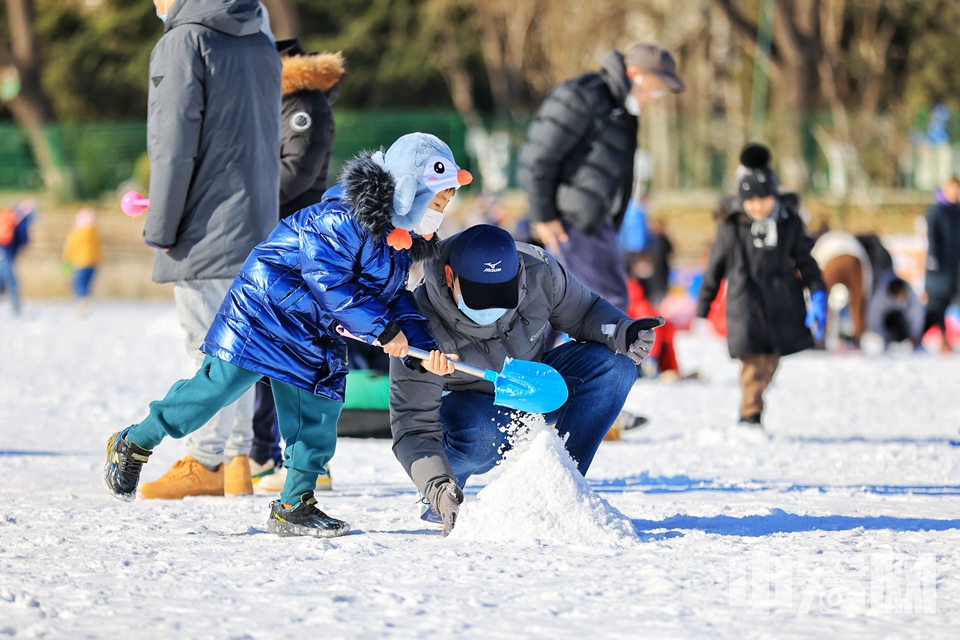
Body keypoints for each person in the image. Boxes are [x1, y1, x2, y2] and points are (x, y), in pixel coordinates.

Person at [104, 133, 472, 538]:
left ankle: (294, 505)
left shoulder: (401, 243)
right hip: (264, 310)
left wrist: (423, 348)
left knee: (317, 413)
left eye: (446, 204)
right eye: (437, 202)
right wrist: (383, 330)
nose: (440, 213)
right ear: (409, 190)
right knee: (215, 391)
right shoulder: (341, 219)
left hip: (312, 328)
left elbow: (395, 297)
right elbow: (327, 280)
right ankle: (134, 442)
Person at [390, 224, 661, 536]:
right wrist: (437, 486)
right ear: (450, 278)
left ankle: (561, 487)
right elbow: (411, 424)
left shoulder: (539, 271)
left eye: (500, 296)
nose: (490, 307)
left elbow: (585, 311)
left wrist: (620, 330)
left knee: (615, 367)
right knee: (479, 435)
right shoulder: (416, 323)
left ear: (517, 273)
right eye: (480, 297)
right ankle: (446, 492)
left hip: (534, 385)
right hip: (474, 410)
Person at [137, 0, 281, 500]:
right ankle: (237, 458)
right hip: (258, 218)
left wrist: (161, 224)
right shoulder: (260, 38)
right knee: (239, 344)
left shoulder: (183, 41)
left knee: (206, 345)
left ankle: (204, 458)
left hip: (203, 221)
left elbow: (173, 142)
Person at [517, 44, 684, 314]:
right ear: (635, 73)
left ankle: (540, 355)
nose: (655, 96)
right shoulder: (584, 96)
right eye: (655, 87)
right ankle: (607, 357)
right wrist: (543, 214)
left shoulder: (622, 110)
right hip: (574, 221)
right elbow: (537, 157)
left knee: (555, 307)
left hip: (596, 222)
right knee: (609, 303)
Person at [248, 39, 346, 491]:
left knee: (294, 348)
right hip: (280, 236)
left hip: (298, 242)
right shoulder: (282, 102)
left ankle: (305, 462)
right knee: (272, 344)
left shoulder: (302, 104)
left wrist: (245, 205)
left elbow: (297, 169)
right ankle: (265, 452)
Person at [697, 144, 826, 427]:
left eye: (763, 198)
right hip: (744, 302)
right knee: (752, 362)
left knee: (771, 361)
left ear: (774, 195)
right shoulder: (731, 226)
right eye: (750, 200)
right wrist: (703, 305)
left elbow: (806, 261)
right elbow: (715, 267)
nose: (757, 205)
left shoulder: (789, 222)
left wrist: (817, 292)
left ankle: (753, 403)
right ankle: (750, 415)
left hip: (782, 303)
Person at [922, 177, 960, 351]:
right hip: (940, 268)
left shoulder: (957, 211)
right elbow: (933, 238)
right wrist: (932, 260)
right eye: (952, 189)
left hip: (955, 267)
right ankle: (933, 336)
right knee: (937, 304)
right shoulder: (937, 211)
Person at [62, 208, 102, 314]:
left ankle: (83, 302)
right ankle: (87, 301)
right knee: (87, 284)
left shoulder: (75, 233)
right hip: (94, 263)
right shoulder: (94, 232)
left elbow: (69, 247)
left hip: (80, 262)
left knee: (78, 284)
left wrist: (67, 261)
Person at [867, 274, 924, 347]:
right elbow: (874, 318)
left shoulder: (911, 295)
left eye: (901, 297)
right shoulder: (880, 296)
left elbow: (917, 316)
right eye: (898, 297)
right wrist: (881, 337)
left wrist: (913, 336)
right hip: (887, 324)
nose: (899, 301)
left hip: (904, 325)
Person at [0, 199, 34, 315]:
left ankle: (15, 306)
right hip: (6, 253)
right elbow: (23, 235)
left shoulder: (10, 215)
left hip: (3, 251)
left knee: (3, 278)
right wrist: (25, 244)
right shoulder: (22, 220)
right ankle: (16, 307)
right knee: (11, 280)